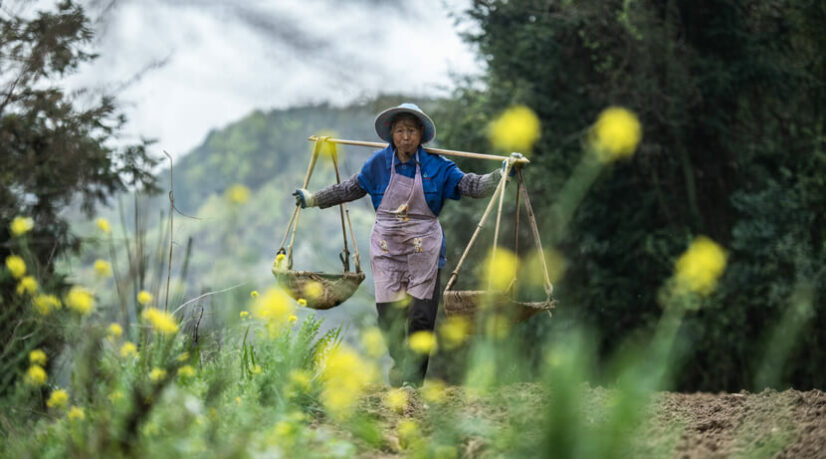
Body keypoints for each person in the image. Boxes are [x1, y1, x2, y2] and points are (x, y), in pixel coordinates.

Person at [294, 103, 520, 387]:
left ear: (421, 134)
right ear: (391, 134)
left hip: (424, 251)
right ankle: (401, 365)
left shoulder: (439, 167)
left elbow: (472, 186)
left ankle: (413, 384)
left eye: (411, 131)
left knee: (421, 320)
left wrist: (502, 175)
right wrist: (313, 198)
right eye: (400, 131)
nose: (405, 137)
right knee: (388, 320)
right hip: (388, 250)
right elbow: (350, 188)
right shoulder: (377, 164)